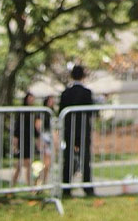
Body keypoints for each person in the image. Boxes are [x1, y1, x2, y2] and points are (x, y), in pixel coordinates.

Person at [59, 65, 95, 197]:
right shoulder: (86, 93)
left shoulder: (65, 93)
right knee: (85, 159)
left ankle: (66, 188)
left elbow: (61, 111)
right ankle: (87, 187)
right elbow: (91, 111)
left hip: (69, 130)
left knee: (68, 158)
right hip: (83, 129)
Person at [11, 92, 36, 187]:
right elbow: (17, 129)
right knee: (19, 166)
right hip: (21, 141)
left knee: (28, 165)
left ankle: (30, 186)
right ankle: (12, 186)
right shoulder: (21, 112)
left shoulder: (32, 113)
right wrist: (15, 144)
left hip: (28, 141)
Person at [35, 95, 56, 186]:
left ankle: (43, 182)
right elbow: (38, 126)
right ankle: (38, 181)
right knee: (46, 163)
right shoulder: (43, 113)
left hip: (50, 139)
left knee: (49, 164)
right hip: (45, 138)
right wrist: (40, 139)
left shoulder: (52, 113)